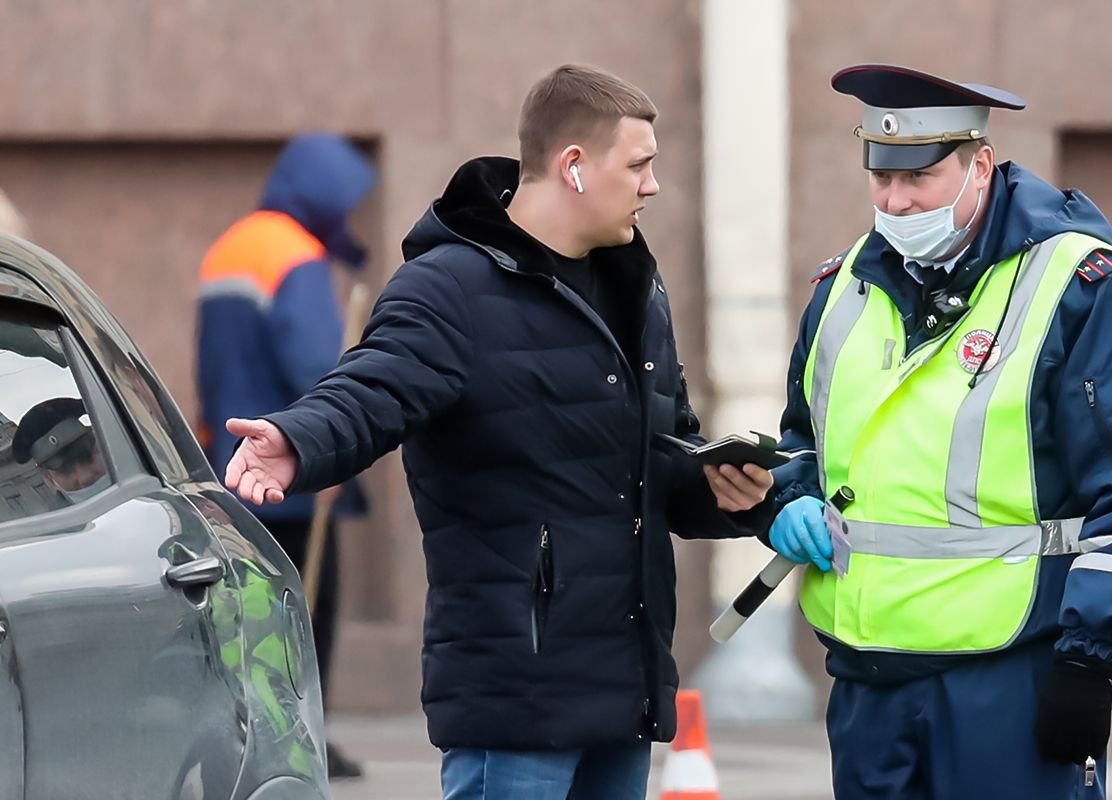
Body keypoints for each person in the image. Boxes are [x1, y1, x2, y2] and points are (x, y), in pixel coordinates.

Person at [221, 64, 776, 800]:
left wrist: (741, 494)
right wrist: (297, 439)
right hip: (516, 701)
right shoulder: (450, 286)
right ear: (574, 167)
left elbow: (661, 458)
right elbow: (373, 384)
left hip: (622, 690)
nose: (653, 186)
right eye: (639, 165)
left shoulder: (635, 287)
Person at [766, 64, 1112, 799]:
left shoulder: (1081, 288)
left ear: (980, 165)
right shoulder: (842, 290)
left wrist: (1091, 660)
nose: (896, 202)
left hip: (1009, 682)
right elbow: (803, 437)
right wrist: (787, 496)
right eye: (881, 180)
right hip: (868, 685)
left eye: (920, 180)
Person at [195, 131, 374, 780]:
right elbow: (317, 367)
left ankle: (254, 734)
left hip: (233, 465)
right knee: (306, 607)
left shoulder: (229, 250)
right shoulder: (294, 256)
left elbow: (212, 368)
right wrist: (330, 448)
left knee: (250, 613)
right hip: (290, 469)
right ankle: (305, 740)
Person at [12, 397, 109, 503]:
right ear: (49, 480)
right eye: (65, 470)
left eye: (87, 458)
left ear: (104, 447)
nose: (85, 478)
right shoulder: (58, 520)